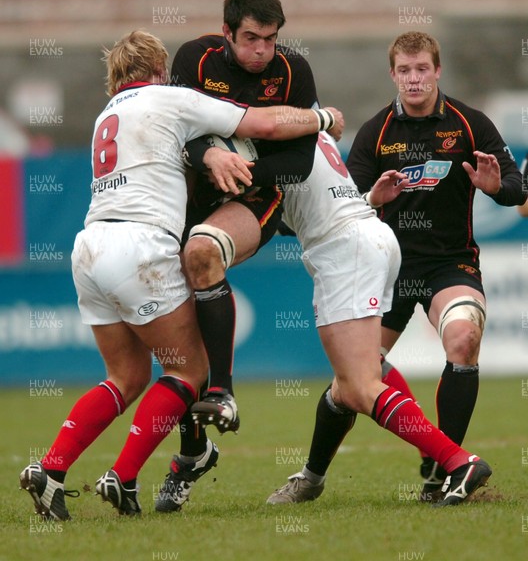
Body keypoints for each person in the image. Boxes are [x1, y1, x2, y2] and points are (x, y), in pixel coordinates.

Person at [18, 29, 342, 520]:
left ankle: (51, 470)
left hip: (89, 247)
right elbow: (264, 124)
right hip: (140, 247)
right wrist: (322, 117)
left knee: (124, 377)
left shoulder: (106, 115)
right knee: (189, 371)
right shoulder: (170, 97)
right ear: (159, 69)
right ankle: (123, 476)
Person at [267, 30, 526, 505]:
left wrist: (496, 187)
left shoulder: (470, 125)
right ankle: (312, 476)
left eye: (422, 69)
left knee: (463, 339)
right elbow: (340, 208)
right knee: (352, 382)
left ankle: (445, 470)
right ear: (393, 74)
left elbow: (516, 189)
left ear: (437, 70)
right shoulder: (375, 133)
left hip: (451, 265)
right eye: (404, 70)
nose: (413, 79)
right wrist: (373, 197)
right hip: (385, 269)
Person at [154, 0, 342, 513]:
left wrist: (242, 165)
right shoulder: (195, 59)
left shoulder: (293, 71)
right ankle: (193, 451)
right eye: (252, 39)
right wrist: (208, 156)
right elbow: (174, 131)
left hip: (257, 198)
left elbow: (301, 163)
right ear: (227, 33)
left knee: (204, 252)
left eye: (272, 39)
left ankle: (224, 391)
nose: (263, 51)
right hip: (189, 196)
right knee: (172, 336)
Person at [269, 132, 491, 508]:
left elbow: (269, 219)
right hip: (370, 233)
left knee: (358, 387)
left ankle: (457, 461)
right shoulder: (302, 123)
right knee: (355, 377)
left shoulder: (261, 131)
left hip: (344, 252)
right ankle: (311, 479)